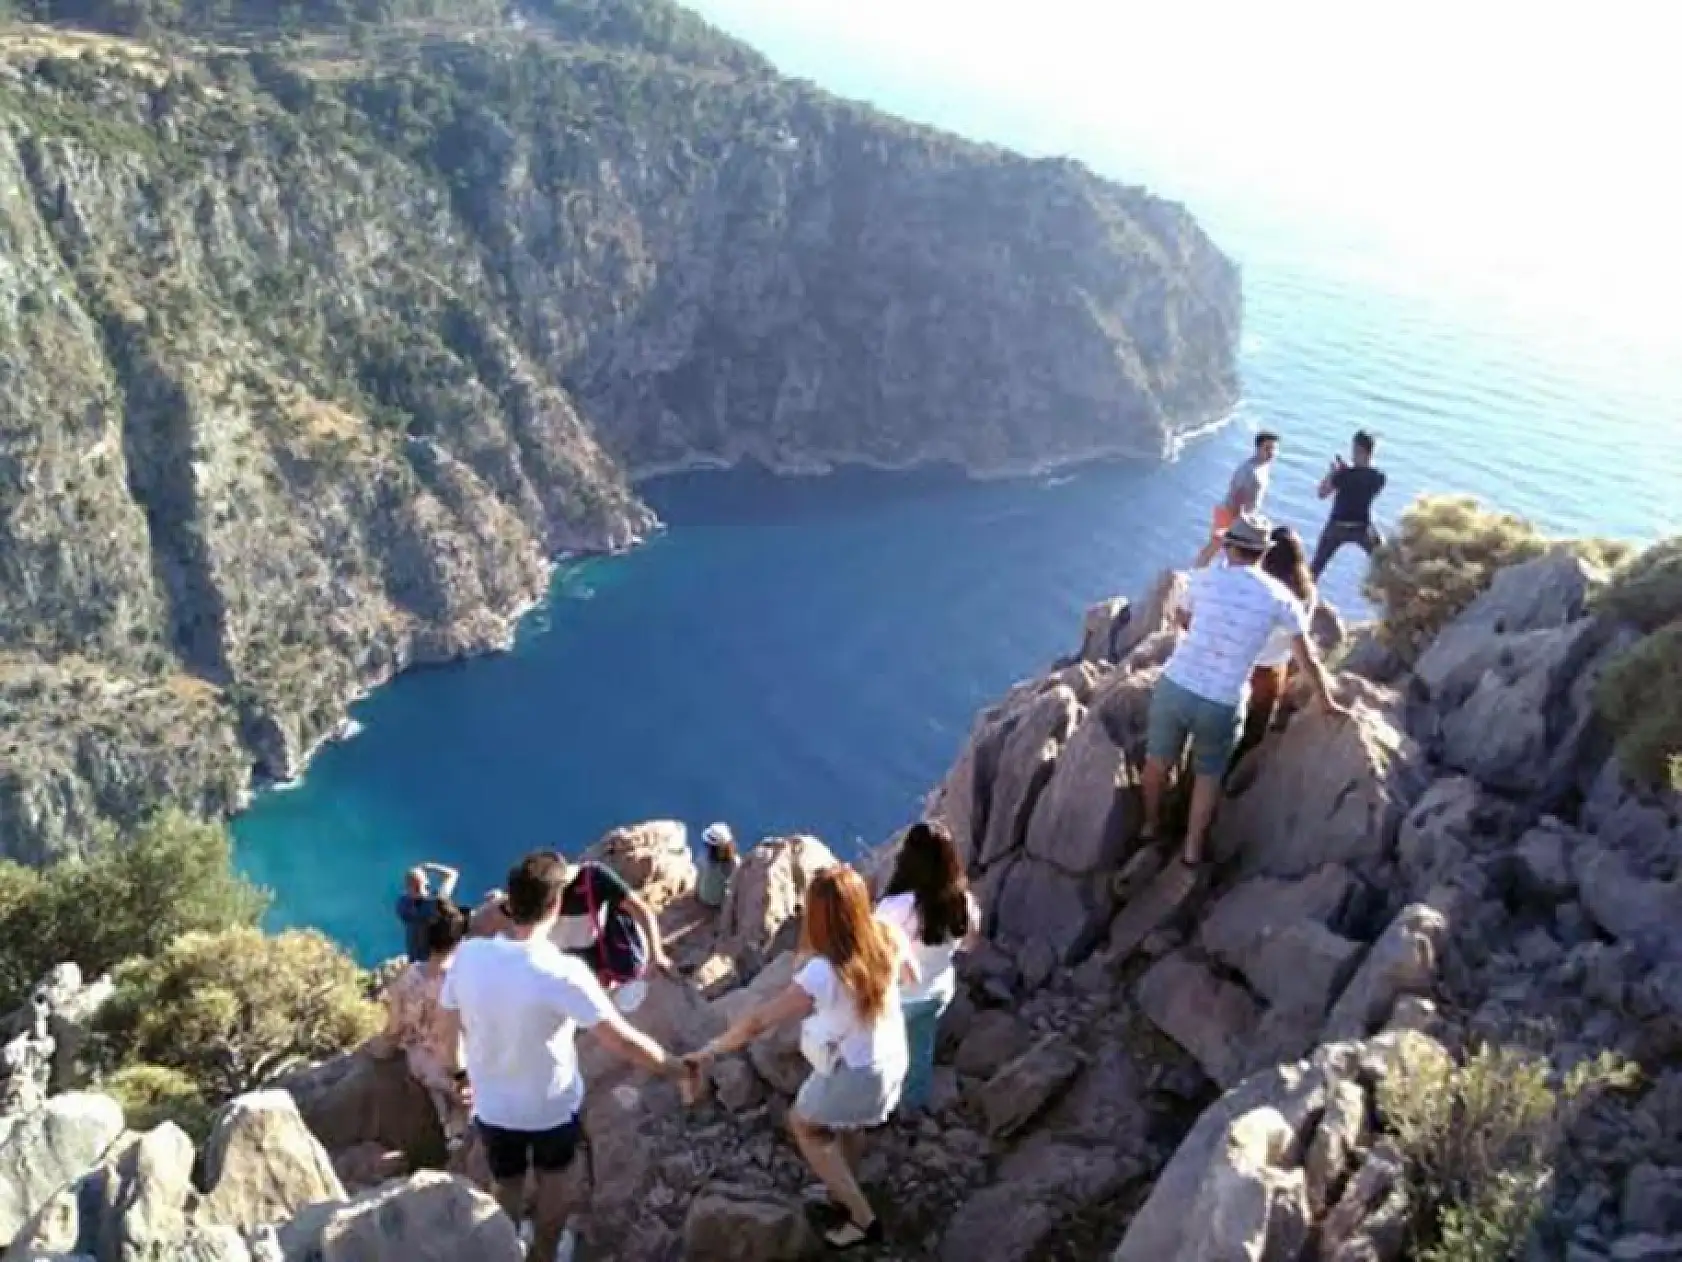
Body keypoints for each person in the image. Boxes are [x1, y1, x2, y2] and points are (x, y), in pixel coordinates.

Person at [438, 851, 686, 1262]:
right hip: (549, 1109)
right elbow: (621, 1041)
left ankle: (504, 1247)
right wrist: (674, 1067)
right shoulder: (564, 972)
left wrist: (460, 1076)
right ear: (554, 905)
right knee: (558, 1183)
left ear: (508, 903)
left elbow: (446, 1030)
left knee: (508, 1182)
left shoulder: (467, 956)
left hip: (493, 1107)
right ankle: (544, 1253)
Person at [684, 866, 915, 1250]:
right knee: (849, 1124)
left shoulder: (823, 972)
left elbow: (758, 1022)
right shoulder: (887, 934)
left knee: (802, 1123)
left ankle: (862, 1219)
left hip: (857, 1072)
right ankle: (844, 1182)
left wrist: (710, 1050)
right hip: (891, 1056)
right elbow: (908, 977)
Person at [1143, 512, 1350, 869]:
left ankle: (1151, 825)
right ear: (1263, 551)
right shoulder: (1281, 598)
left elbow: (1183, 620)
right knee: (1208, 777)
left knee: (1156, 762)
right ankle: (1191, 850)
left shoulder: (1207, 580)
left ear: (1231, 546)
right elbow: (1307, 661)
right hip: (1222, 700)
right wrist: (1327, 702)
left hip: (1177, 684)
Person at [874, 821, 978, 1112]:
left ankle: (880, 1106)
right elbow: (969, 945)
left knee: (883, 1052)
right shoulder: (964, 904)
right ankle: (913, 1104)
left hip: (898, 999)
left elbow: (875, 957)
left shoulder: (895, 908)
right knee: (920, 1048)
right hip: (937, 991)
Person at [369, 900, 471, 1146]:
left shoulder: (409, 977)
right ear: (460, 942)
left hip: (422, 1062)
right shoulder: (464, 982)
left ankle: (449, 1128)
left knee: (436, 1083)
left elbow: (394, 1029)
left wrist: (377, 1049)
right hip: (460, 1065)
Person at [1232, 526, 1319, 770]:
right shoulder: (1306, 596)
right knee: (1255, 729)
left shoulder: (1257, 588)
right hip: (1271, 671)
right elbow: (1300, 638)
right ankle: (1238, 777)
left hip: (1239, 664)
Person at [551, 855, 675, 992]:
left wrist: (656, 955)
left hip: (610, 946)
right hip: (572, 957)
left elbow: (640, 909)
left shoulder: (592, 878)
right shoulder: (531, 909)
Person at [1194, 431, 1280, 568]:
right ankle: (1196, 571)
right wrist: (1239, 522)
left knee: (1226, 551)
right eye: (1267, 448)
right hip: (1231, 514)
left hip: (1242, 516)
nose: (1272, 453)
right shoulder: (1249, 471)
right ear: (1258, 448)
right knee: (1216, 547)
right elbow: (1237, 496)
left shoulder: (1263, 466)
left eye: (1274, 449)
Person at [1311, 429, 1387, 578]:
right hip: (1363, 527)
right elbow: (1360, 484)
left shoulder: (1343, 475)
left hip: (1338, 526)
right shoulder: (1379, 477)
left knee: (1315, 568)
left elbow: (1322, 493)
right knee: (1385, 561)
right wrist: (1346, 471)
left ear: (1358, 449)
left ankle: (1303, 595)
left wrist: (1333, 472)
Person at [396, 861, 460, 963]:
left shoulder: (402, 904)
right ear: (426, 884)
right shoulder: (436, 902)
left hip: (416, 959)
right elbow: (453, 874)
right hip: (430, 961)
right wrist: (430, 867)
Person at [696, 823, 739, 910]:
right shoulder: (733, 863)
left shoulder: (704, 857)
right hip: (718, 901)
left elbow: (699, 873)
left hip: (703, 896)